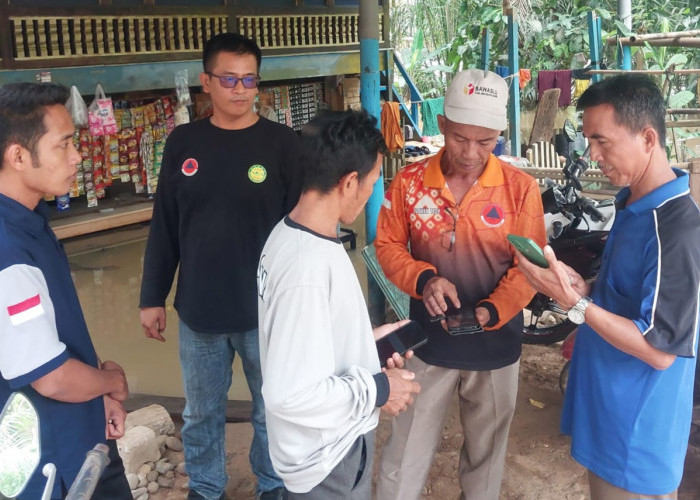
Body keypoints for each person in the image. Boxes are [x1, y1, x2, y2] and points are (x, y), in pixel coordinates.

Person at [515, 73, 699, 500]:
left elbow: (659, 351)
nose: (592, 155)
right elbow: (628, 293)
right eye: (588, 141)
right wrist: (589, 287)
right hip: (610, 415)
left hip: (635, 439)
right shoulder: (632, 201)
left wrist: (574, 303)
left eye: (602, 141)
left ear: (648, 138)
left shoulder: (674, 228)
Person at [139, 33, 301, 500]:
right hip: (200, 312)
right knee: (200, 412)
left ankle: (272, 483)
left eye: (249, 78)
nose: (240, 88)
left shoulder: (282, 143)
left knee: (273, 408)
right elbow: (166, 226)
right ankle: (207, 487)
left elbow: (302, 232)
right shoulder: (183, 142)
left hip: (267, 313)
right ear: (205, 82)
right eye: (228, 78)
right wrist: (152, 297)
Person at [375, 69, 546, 500]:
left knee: (486, 459)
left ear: (500, 136)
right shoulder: (410, 184)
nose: (471, 153)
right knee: (405, 454)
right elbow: (389, 245)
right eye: (460, 138)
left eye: (486, 141)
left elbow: (529, 270)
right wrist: (425, 278)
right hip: (427, 345)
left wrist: (488, 312)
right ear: (442, 126)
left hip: (496, 346)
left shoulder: (520, 190)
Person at [257, 109, 421, 499]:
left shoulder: (289, 234)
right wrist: (380, 390)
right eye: (373, 181)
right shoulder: (306, 269)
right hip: (325, 462)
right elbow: (289, 395)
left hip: (323, 448)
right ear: (350, 182)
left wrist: (364, 342)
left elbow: (305, 340)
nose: (371, 193)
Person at [0, 82, 130, 498]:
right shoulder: (8, 251)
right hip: (52, 468)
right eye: (64, 145)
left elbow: (57, 333)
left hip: (81, 438)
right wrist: (109, 382)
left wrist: (99, 399)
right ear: (18, 156)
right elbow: (52, 378)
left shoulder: (28, 219)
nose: (78, 157)